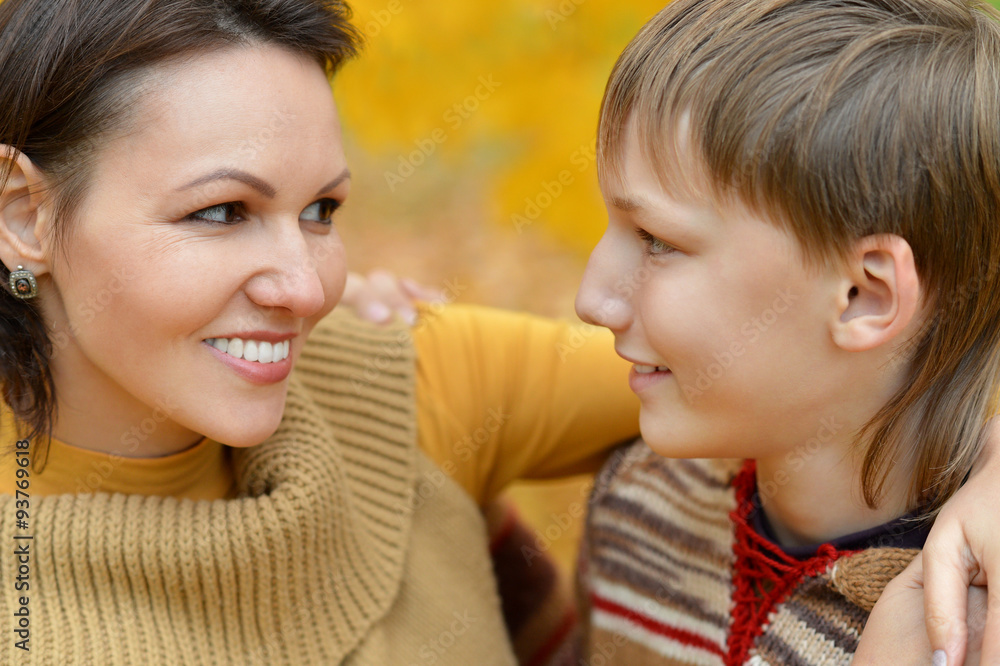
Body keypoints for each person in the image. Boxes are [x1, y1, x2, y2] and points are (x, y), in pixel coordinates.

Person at [0, 1, 642, 663]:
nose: (307, 290)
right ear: (24, 217)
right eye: (221, 211)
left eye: (319, 210)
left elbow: (732, 372)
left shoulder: (387, 378)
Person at [569, 0, 1000, 663]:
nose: (593, 298)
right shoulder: (638, 509)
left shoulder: (977, 625)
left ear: (864, 295)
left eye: (657, 241)